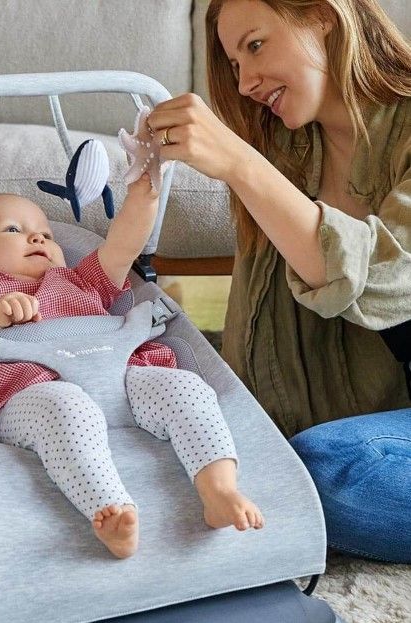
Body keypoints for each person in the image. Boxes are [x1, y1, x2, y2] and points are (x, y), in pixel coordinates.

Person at [146, 0, 410, 563]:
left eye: (256, 45)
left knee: (326, 473)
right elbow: (257, 336)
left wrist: (240, 163)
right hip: (387, 425)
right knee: (272, 464)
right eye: (234, 64)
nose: (245, 83)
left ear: (323, 16)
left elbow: (390, 279)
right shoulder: (289, 150)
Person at [0, 184, 264, 559]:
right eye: (13, 229)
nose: (38, 237)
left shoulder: (79, 280)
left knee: (184, 387)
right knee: (64, 409)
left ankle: (219, 488)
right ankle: (110, 509)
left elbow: (123, 246)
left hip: (123, 379)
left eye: (46, 234)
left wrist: (146, 192)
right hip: (35, 396)